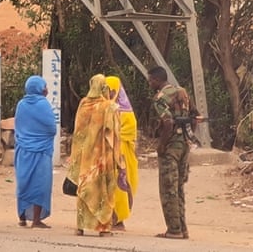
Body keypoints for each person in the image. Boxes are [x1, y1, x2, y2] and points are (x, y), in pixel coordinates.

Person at [147, 66, 200, 239]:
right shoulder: (182, 92)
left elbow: (168, 123)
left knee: (168, 188)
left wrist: (162, 145)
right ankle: (183, 228)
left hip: (171, 147)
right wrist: (188, 136)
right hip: (184, 145)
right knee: (179, 188)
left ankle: (174, 229)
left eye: (150, 80)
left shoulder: (160, 98)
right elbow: (195, 116)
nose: (149, 83)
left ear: (156, 80)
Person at [67, 73, 121, 237]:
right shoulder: (109, 107)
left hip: (84, 157)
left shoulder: (83, 104)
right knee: (103, 190)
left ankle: (80, 227)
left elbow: (77, 132)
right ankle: (103, 228)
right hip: (102, 158)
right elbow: (113, 133)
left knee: (85, 188)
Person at [14, 75, 57, 229]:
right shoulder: (43, 105)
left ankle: (22, 217)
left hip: (23, 149)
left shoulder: (21, 104)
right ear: (40, 88)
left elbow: (18, 125)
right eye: (44, 86)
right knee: (40, 184)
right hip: (41, 151)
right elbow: (52, 128)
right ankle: (36, 220)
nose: (47, 90)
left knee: (23, 182)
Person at [105, 76, 139, 231]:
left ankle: (118, 220)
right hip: (113, 153)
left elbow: (128, 133)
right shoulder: (109, 107)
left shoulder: (123, 111)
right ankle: (111, 217)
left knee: (120, 186)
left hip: (121, 154)